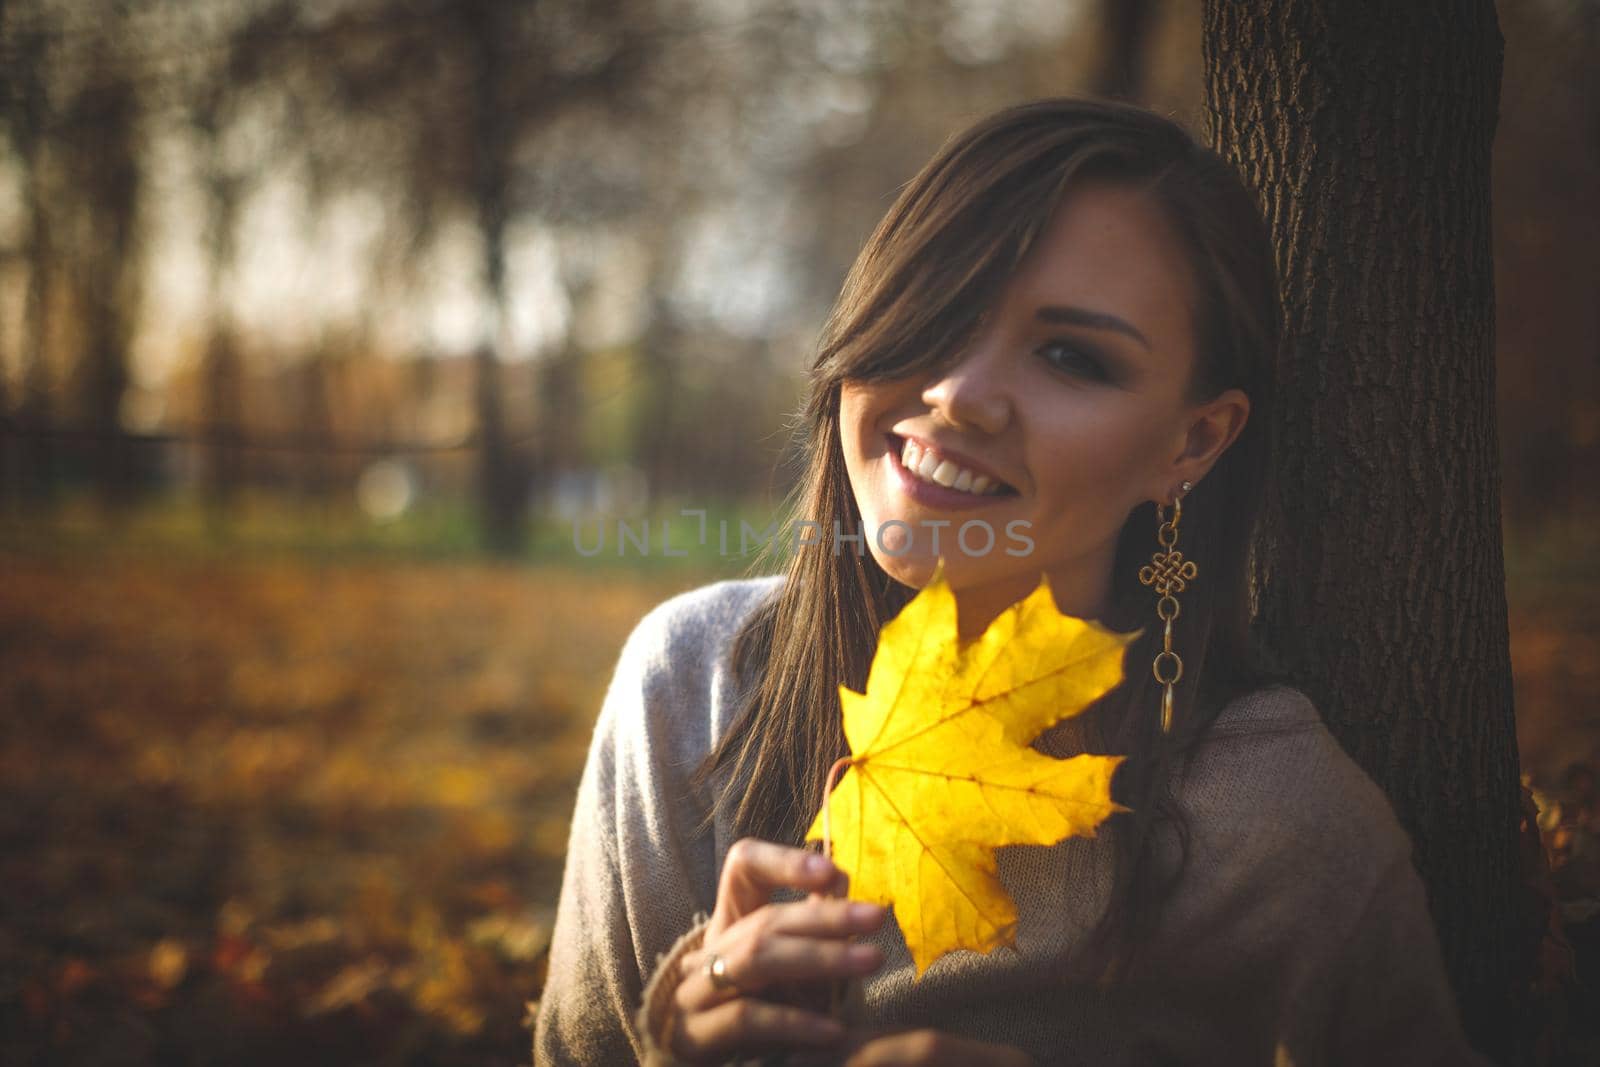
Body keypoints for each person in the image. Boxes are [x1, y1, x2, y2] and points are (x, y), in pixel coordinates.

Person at [533, 97, 1491, 1066]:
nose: (957, 392)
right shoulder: (694, 684)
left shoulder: (1280, 822)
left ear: (1190, 441)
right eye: (939, 309)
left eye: (1071, 356)